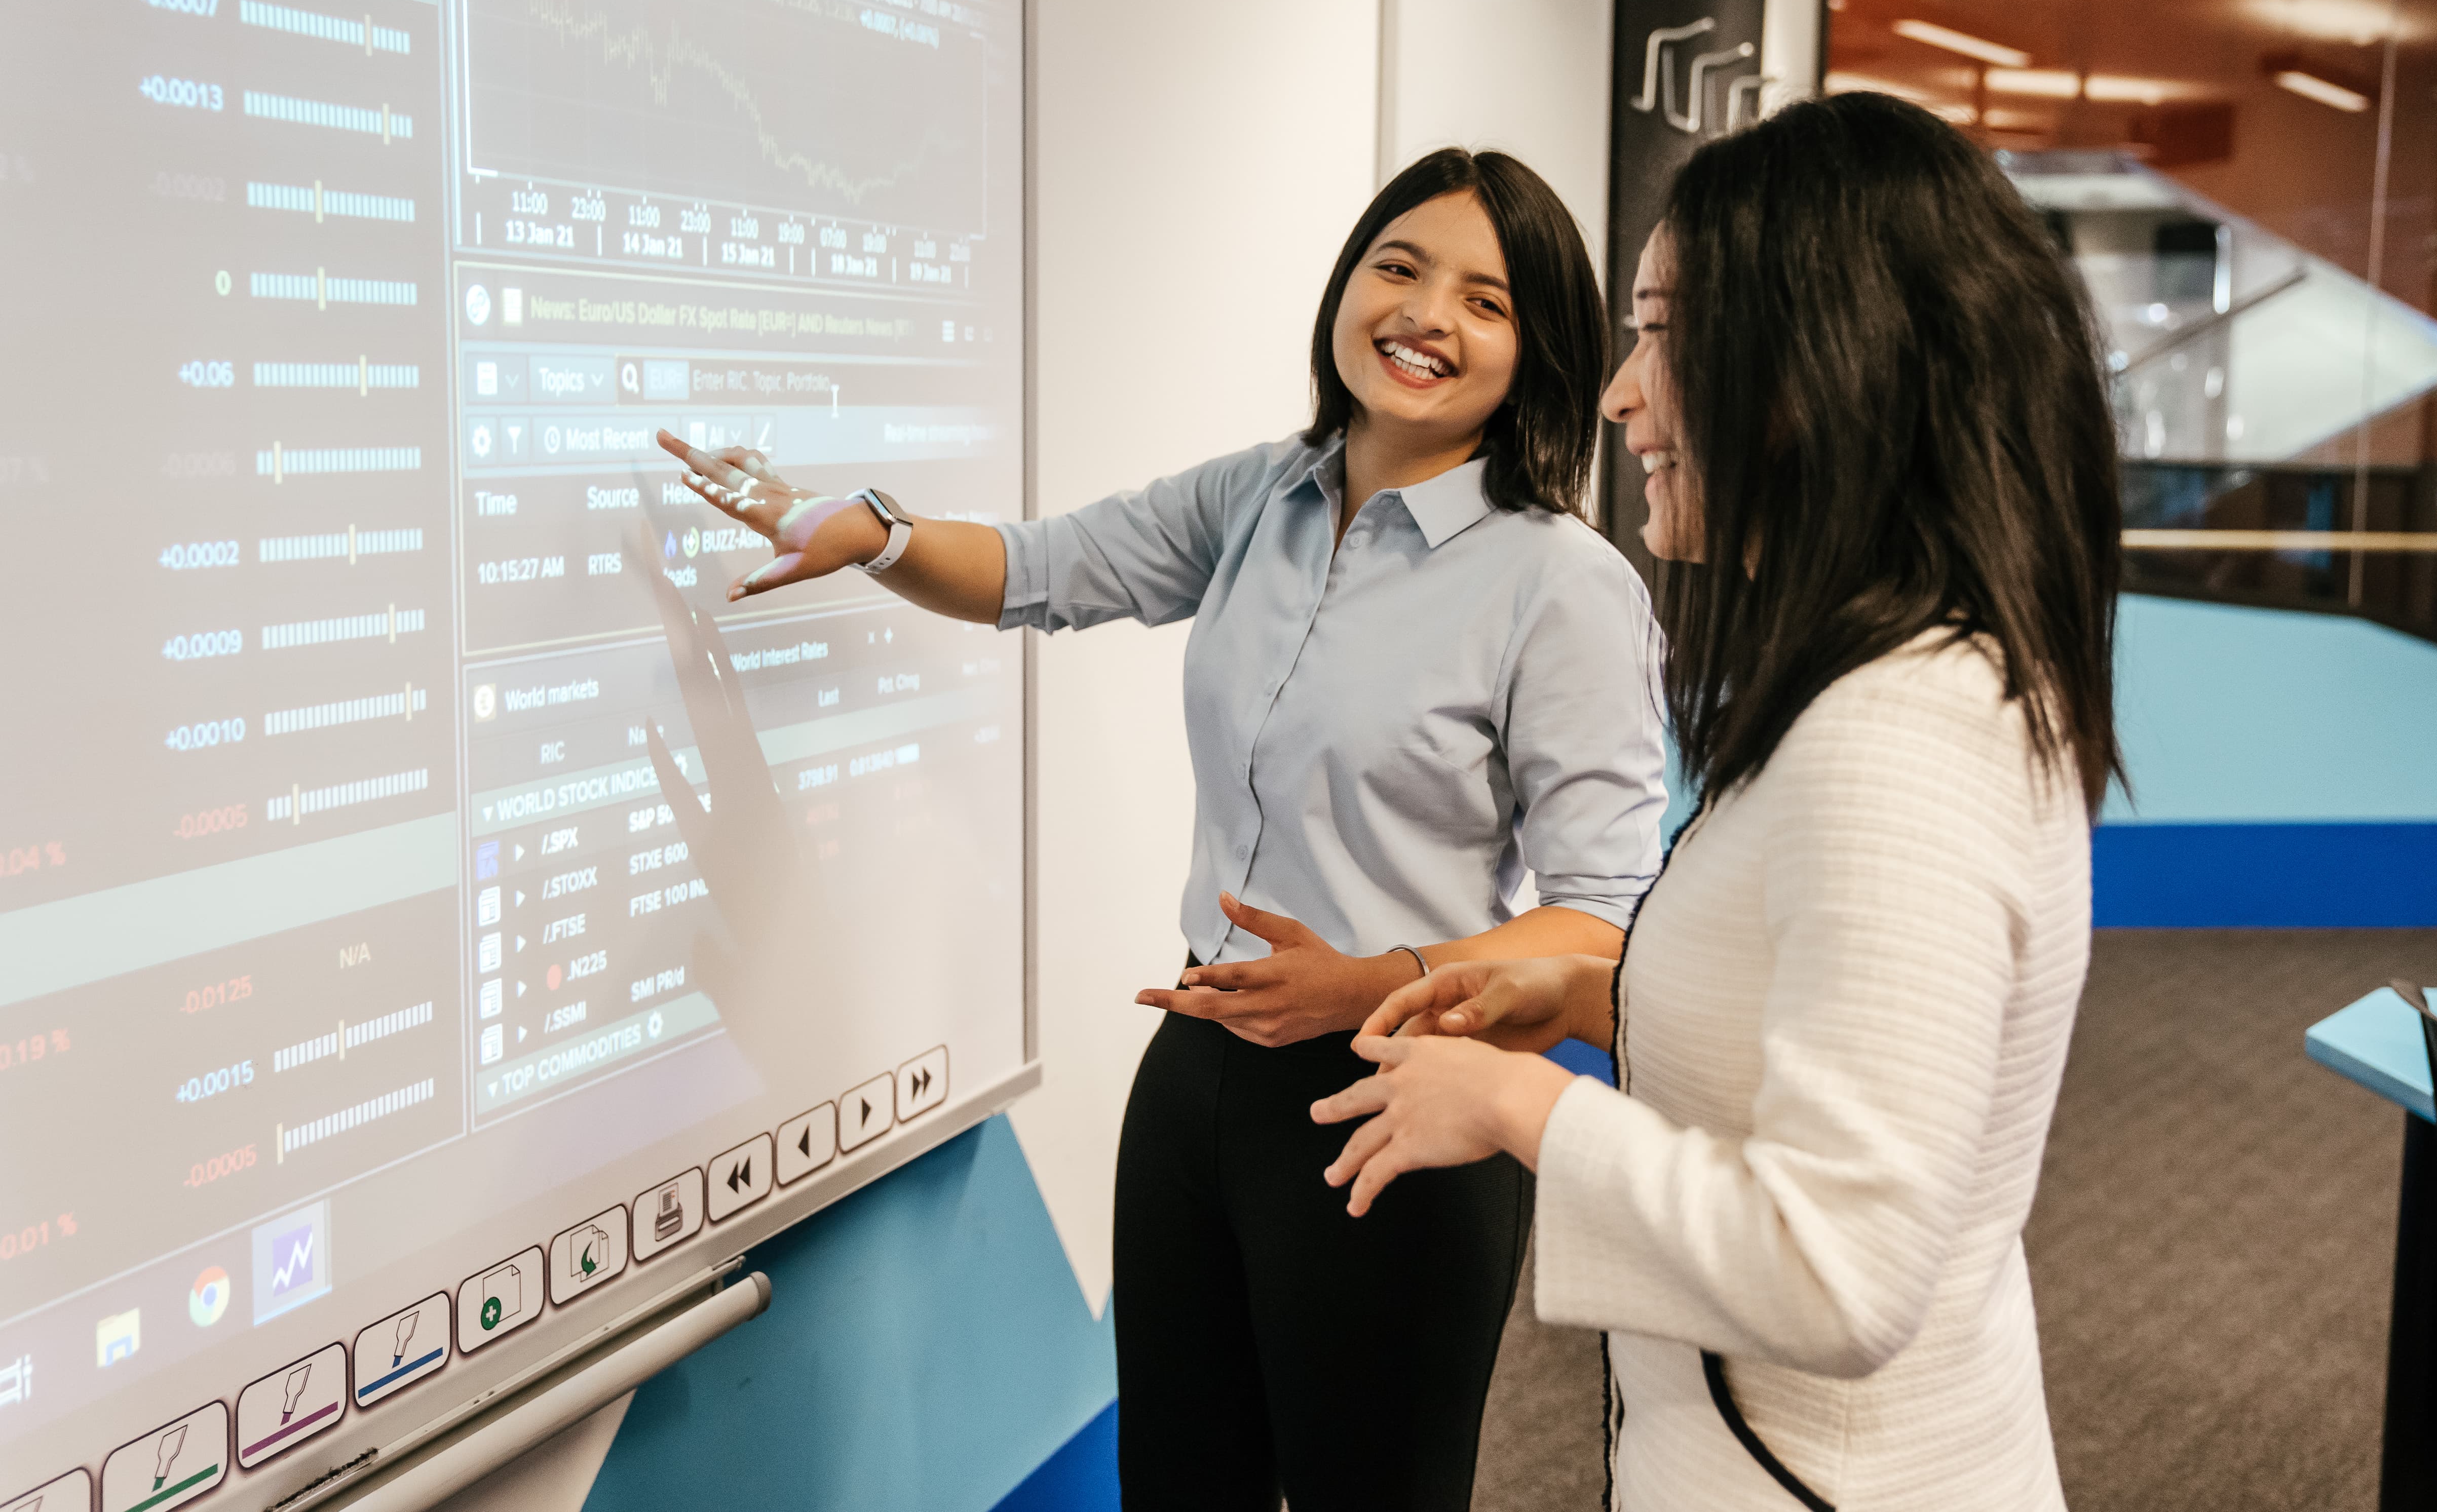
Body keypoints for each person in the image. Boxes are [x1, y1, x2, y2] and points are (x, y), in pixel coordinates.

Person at [657, 148, 1668, 1510]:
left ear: (1537, 347)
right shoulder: (1264, 497)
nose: (1427, 313)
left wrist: (1377, 982)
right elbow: (1043, 566)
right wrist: (875, 531)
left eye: (1485, 300)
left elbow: (1605, 917)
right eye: (1399, 266)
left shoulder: (1562, 584)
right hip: (1197, 1083)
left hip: (1399, 1096)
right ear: (1348, 285)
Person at [1315, 91, 2124, 1511]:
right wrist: (1582, 1002)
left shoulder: (1902, 739)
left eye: (1666, 334)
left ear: (1822, 366)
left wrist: (1516, 1107)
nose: (1622, 391)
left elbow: (1837, 1267)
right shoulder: (1906, 675)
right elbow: (1819, 1027)